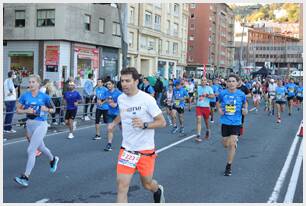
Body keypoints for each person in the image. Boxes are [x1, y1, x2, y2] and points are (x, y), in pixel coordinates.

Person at [107, 67, 166, 203]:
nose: (124, 84)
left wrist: (145, 124)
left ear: (136, 81)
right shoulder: (121, 98)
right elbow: (123, 113)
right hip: (127, 150)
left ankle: (157, 190)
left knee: (147, 184)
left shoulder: (147, 99)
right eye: (122, 81)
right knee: (122, 187)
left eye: (128, 81)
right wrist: (114, 123)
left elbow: (162, 122)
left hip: (145, 150)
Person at [14, 74, 59, 187]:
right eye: (29, 82)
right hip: (29, 124)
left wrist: (47, 109)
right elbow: (18, 110)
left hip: (41, 124)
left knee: (31, 150)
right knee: (41, 147)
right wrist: (26, 111)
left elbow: (54, 110)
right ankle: (53, 159)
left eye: (33, 82)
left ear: (38, 84)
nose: (31, 84)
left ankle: (25, 177)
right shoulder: (25, 96)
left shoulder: (44, 97)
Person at [216, 74, 248, 176]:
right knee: (225, 144)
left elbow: (245, 103)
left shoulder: (241, 94)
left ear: (237, 83)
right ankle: (230, 142)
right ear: (226, 83)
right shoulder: (223, 93)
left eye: (233, 81)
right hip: (225, 122)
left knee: (232, 144)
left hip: (236, 122)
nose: (231, 83)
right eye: (229, 81)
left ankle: (228, 166)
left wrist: (245, 109)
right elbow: (218, 102)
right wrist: (219, 109)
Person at [103, 80, 122, 151]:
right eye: (107, 84)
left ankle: (128, 143)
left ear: (113, 85)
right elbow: (106, 99)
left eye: (110, 84)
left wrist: (116, 104)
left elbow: (123, 102)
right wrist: (102, 102)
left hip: (119, 114)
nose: (108, 85)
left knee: (122, 129)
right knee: (109, 128)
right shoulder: (106, 92)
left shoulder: (119, 93)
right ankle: (109, 144)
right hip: (110, 113)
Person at [195, 78, 214, 142]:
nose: (203, 81)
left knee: (206, 121)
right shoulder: (198, 88)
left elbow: (213, 96)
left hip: (206, 107)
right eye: (202, 80)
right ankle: (198, 135)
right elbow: (196, 95)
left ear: (206, 81)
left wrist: (207, 95)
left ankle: (208, 130)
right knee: (198, 120)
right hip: (199, 107)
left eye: (204, 80)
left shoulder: (209, 88)